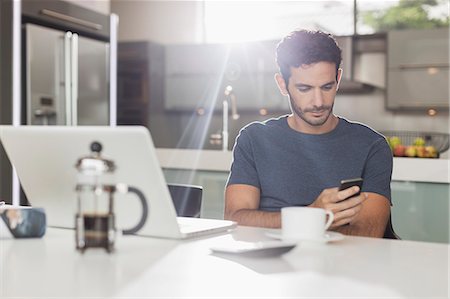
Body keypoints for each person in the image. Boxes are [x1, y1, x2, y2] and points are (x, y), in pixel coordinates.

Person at [224, 29, 392, 238]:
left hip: (343, 266)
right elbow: (235, 218)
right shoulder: (254, 139)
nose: (319, 102)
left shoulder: (371, 145)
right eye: (304, 88)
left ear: (338, 79)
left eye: (327, 87)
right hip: (270, 264)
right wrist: (311, 215)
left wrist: (287, 222)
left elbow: (369, 233)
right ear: (282, 84)